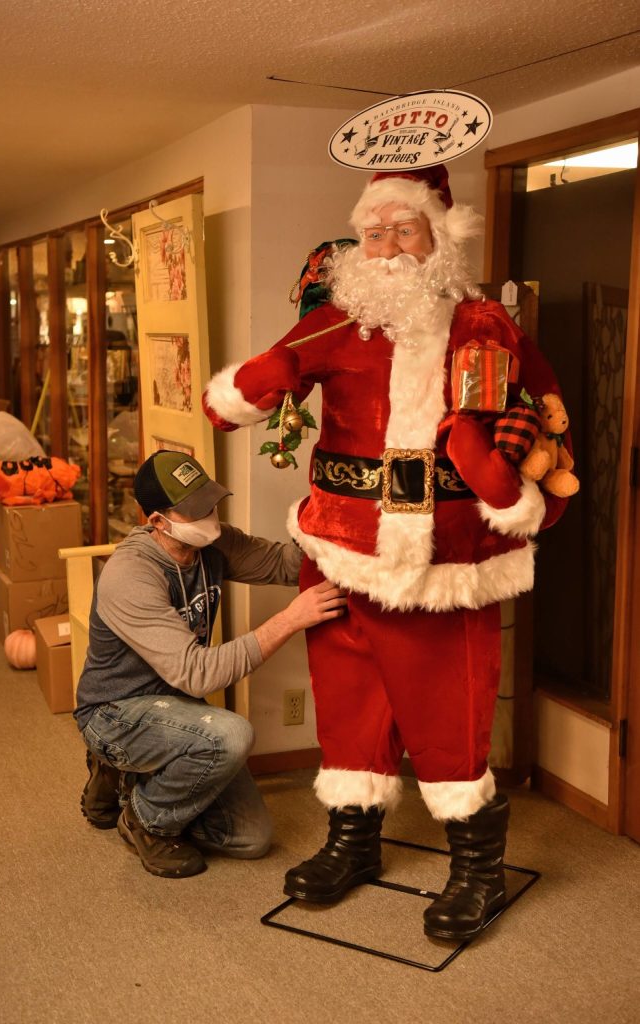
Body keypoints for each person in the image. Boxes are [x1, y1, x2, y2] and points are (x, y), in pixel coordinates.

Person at [202, 165, 572, 939]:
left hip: (446, 563)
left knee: (448, 715)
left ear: (440, 235)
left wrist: (509, 484)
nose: (387, 247)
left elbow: (548, 428)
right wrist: (256, 381)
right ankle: (353, 841)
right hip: (340, 551)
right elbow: (228, 404)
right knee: (348, 705)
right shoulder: (335, 319)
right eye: (373, 232)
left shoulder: (486, 326)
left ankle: (476, 867)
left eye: (404, 229)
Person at [74, 449, 346, 879]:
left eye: (209, 501)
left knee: (251, 838)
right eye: (194, 510)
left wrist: (318, 522)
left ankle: (133, 775)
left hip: (177, 708)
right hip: (115, 711)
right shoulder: (131, 575)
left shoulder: (212, 544)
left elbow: (283, 564)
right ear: (157, 521)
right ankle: (144, 818)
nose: (209, 515)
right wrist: (291, 619)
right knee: (232, 735)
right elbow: (198, 672)